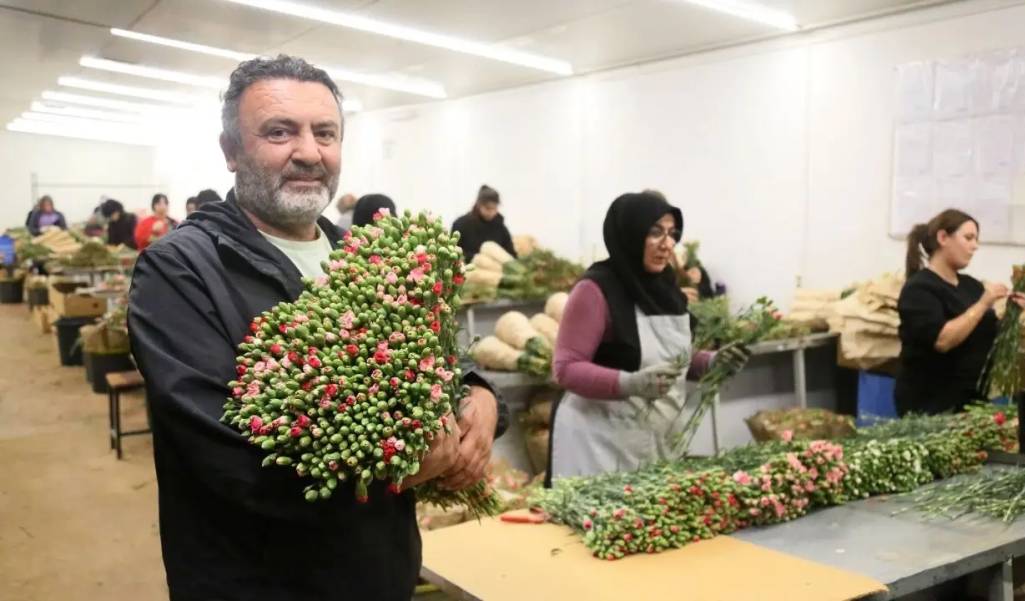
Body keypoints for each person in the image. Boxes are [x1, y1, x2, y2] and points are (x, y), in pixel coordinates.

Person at [127, 55, 505, 601]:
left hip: (381, 573)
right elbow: (228, 460)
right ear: (231, 151)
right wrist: (401, 466)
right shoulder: (179, 269)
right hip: (259, 584)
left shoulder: (369, 255)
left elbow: (437, 358)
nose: (309, 152)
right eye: (279, 132)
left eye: (324, 133)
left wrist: (481, 396)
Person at [546, 192, 749, 486]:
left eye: (672, 234)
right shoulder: (595, 289)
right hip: (597, 444)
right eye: (655, 233)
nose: (667, 244)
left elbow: (672, 359)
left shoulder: (665, 289)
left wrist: (713, 362)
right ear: (631, 234)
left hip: (654, 441)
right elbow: (566, 367)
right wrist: (630, 383)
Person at [895, 209, 1025, 416]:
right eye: (968, 238)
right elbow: (943, 340)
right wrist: (983, 304)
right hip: (931, 405)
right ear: (943, 238)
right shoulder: (919, 289)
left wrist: (1013, 315)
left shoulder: (972, 286)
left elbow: (986, 337)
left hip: (971, 402)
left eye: (976, 239)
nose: (975, 246)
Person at [451, 185, 516, 262]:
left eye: (494, 208)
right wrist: (477, 258)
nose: (491, 212)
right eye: (488, 208)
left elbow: (511, 254)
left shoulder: (500, 227)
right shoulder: (461, 224)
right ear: (479, 205)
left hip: (497, 270)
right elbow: (453, 252)